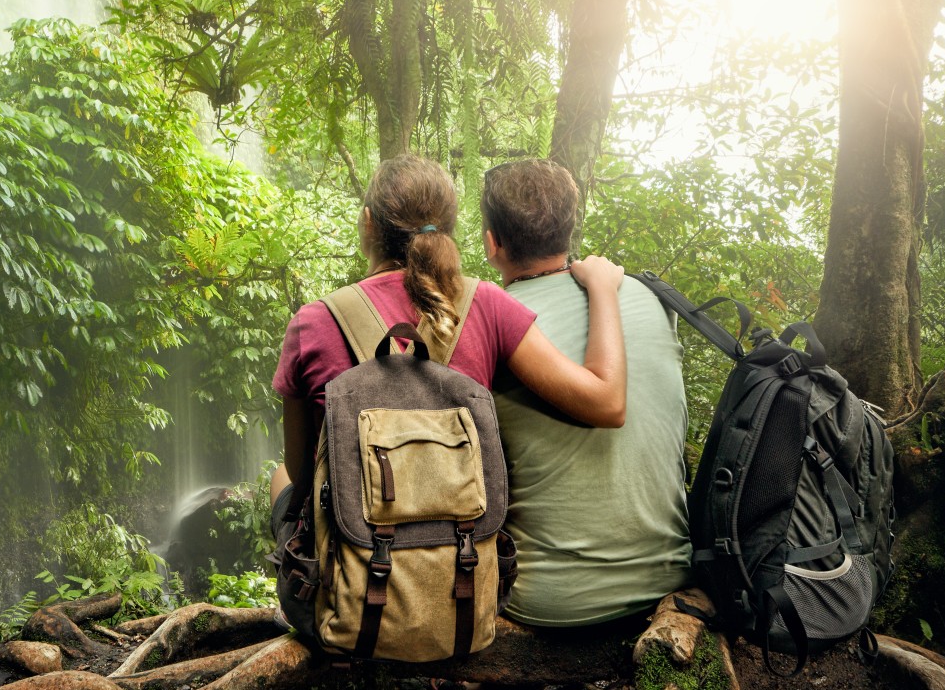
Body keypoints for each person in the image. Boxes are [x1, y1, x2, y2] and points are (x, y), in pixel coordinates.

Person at [268, 154, 629, 526]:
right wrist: (602, 289)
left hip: (357, 564)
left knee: (280, 476)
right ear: (447, 229)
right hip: (462, 558)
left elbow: (302, 472)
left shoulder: (312, 321)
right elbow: (605, 403)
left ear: (367, 223)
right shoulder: (486, 303)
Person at [481, 159, 690, 630]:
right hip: (669, 578)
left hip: (551, 601)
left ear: (492, 242)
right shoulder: (651, 298)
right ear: (569, 229)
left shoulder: (489, 320)